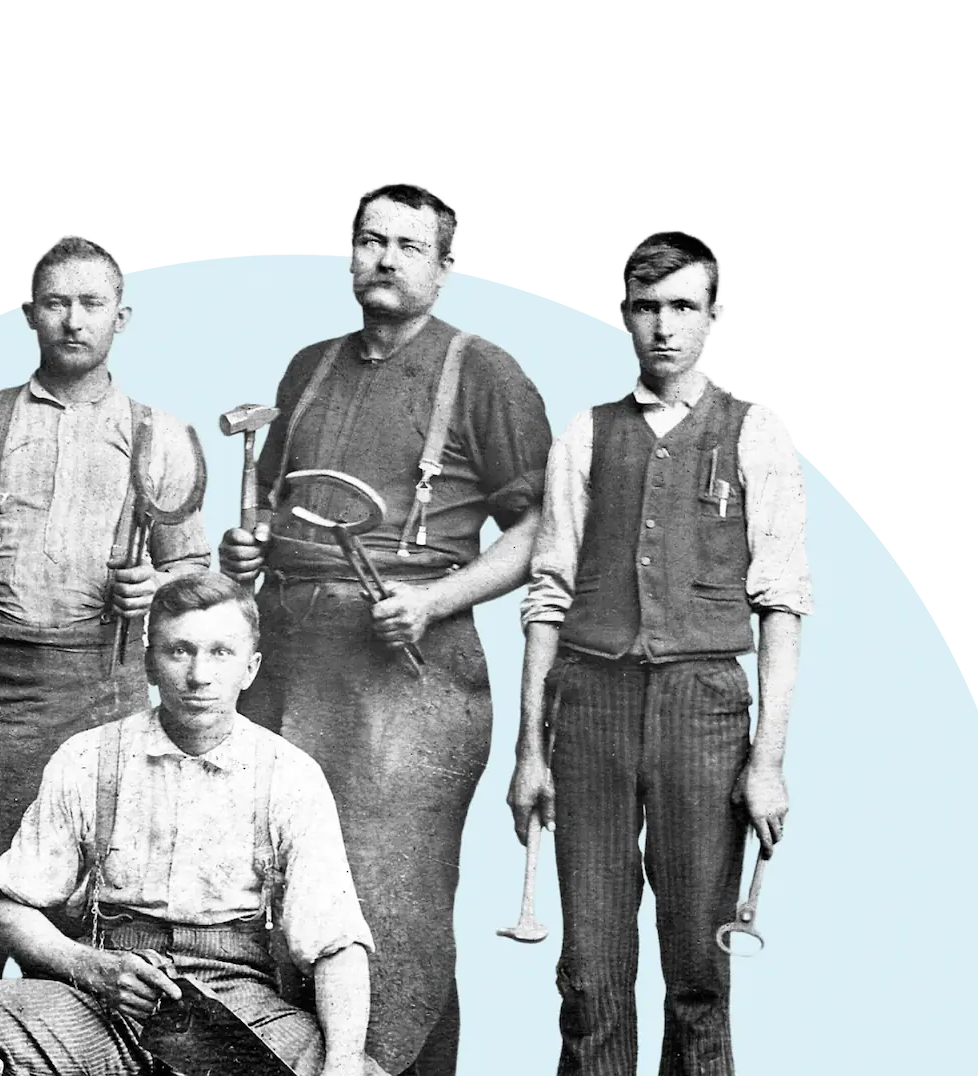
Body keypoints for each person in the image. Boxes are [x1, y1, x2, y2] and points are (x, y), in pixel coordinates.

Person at [218, 182, 553, 1075]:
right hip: (289, 661)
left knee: (388, 906)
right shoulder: (308, 367)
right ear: (349, 251)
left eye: (409, 245)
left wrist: (438, 602)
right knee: (279, 898)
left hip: (410, 669)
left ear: (448, 264)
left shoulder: (484, 373)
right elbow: (270, 504)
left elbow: (539, 532)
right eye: (370, 241)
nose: (385, 260)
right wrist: (244, 548)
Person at [0, 235, 212, 1073]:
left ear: (120, 317)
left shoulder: (156, 435)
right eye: (56, 301)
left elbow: (194, 567)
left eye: (91, 303)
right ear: (29, 310)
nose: (73, 319)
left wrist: (156, 592)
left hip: (103, 707)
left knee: (87, 954)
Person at [508, 229, 812, 1076]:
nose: (665, 327)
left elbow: (781, 606)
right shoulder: (586, 433)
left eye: (683, 306)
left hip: (704, 712)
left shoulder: (757, 435)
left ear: (717, 316)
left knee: (699, 973)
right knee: (590, 975)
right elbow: (548, 597)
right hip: (590, 707)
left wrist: (769, 762)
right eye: (647, 308)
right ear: (623, 316)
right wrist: (530, 752)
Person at [0, 571, 387, 1076]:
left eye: (221, 653)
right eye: (179, 651)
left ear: (251, 667)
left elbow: (337, 944)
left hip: (241, 1010)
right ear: (150, 663)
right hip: (107, 1000)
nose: (199, 675)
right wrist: (91, 969)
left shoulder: (289, 776)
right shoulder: (89, 757)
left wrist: (344, 1065)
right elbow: (9, 912)